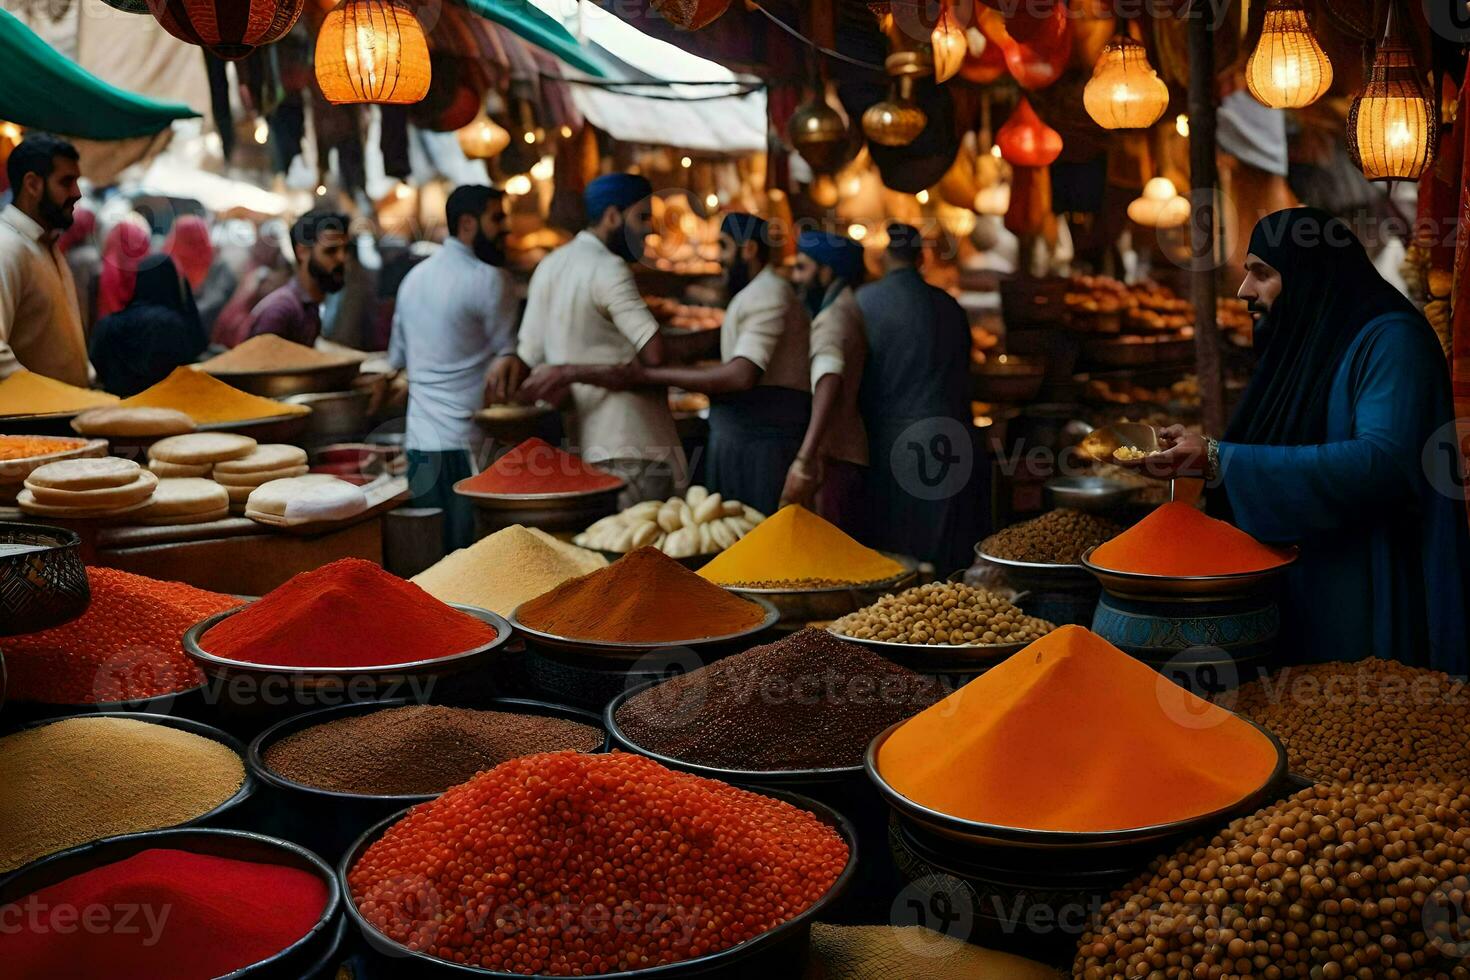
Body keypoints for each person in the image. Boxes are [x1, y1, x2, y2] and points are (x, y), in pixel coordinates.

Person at [1135, 207, 1470, 672]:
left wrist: (1219, 458)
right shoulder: (1314, 337)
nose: (1243, 290)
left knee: (1357, 725)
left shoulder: (1393, 342)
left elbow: (1382, 463)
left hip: (1367, 583)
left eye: (1262, 274)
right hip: (1303, 576)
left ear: (1311, 275)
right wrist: (1202, 450)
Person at [488, 173, 684, 505]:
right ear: (611, 216)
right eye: (643, 216)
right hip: (636, 447)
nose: (649, 229)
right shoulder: (609, 268)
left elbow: (529, 355)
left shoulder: (549, 266)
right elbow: (654, 353)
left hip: (584, 449)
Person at [626, 213, 811, 516]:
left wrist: (650, 375)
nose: (719, 258)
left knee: (755, 538)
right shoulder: (754, 293)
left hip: (762, 445)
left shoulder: (768, 294)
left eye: (724, 247)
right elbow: (715, 342)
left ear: (748, 249)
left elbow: (740, 375)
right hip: (743, 438)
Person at [389, 185, 519, 553]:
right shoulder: (492, 280)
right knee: (472, 563)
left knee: (433, 567)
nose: (505, 228)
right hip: (470, 448)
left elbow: (396, 360)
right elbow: (508, 362)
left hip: (420, 445)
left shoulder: (412, 280)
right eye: (497, 218)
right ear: (467, 223)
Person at [857, 223, 983, 572]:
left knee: (899, 558)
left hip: (894, 442)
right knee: (947, 561)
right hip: (953, 438)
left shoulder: (864, 303)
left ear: (884, 257)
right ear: (922, 258)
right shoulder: (950, 305)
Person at [783, 230, 868, 531]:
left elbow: (829, 377)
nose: (795, 277)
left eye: (802, 267)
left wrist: (805, 458)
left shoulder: (833, 318)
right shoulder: (846, 305)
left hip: (837, 456)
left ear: (826, 271)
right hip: (845, 454)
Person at [0, 135, 90, 386]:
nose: (77, 193)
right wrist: (51, 399)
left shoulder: (45, 243)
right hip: (32, 423)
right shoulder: (6, 246)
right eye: (66, 182)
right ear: (32, 184)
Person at [89, 255, 207, 397]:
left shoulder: (106, 325)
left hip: (116, 410)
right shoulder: (174, 326)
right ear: (171, 281)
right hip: (166, 408)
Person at [242, 209, 349, 346]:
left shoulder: (310, 306)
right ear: (302, 252)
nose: (342, 258)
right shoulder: (280, 311)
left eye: (346, 250)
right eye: (330, 251)